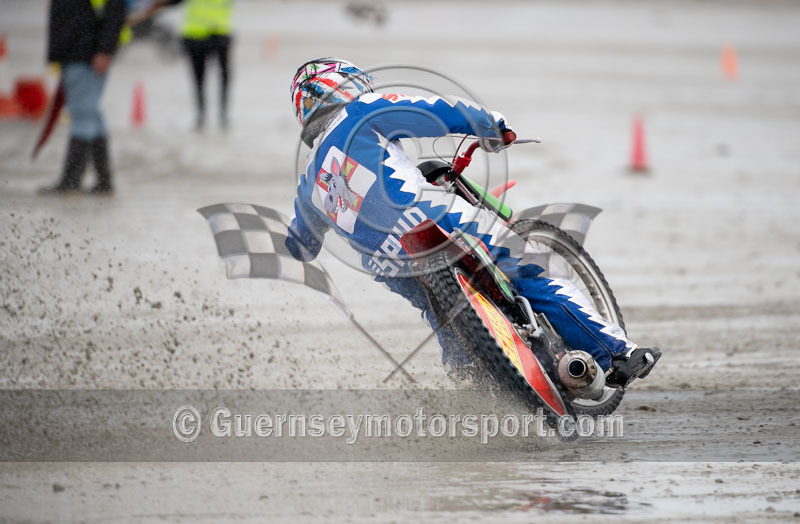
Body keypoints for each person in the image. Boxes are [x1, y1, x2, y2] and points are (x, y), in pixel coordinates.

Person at [285, 57, 661, 388]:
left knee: (445, 319)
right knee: (527, 270)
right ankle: (616, 352)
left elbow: (301, 243)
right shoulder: (360, 111)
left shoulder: (309, 180)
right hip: (427, 217)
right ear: (340, 86)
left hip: (388, 264)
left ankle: (478, 394)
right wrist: (492, 125)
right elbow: (434, 111)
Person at [40, 0, 127, 195]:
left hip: (85, 54)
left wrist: (105, 49)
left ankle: (71, 181)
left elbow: (115, 10)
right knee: (91, 115)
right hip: (76, 52)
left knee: (82, 114)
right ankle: (104, 182)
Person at [144, 0, 233, 129]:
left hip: (219, 34)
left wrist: (158, 5)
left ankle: (222, 114)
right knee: (199, 78)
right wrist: (158, 5)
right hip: (196, 35)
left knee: (224, 76)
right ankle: (201, 115)